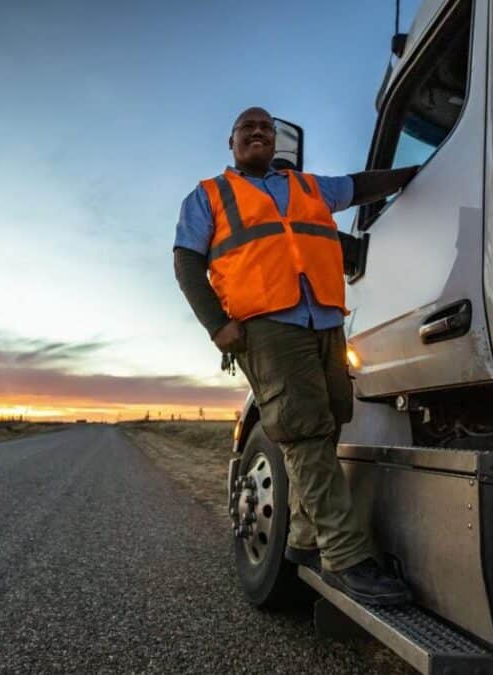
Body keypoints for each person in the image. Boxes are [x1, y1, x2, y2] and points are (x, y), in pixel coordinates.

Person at [173, 106, 419, 606]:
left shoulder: (310, 187)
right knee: (303, 430)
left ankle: (303, 541)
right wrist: (216, 325)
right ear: (232, 142)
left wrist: (415, 174)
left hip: (324, 319)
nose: (258, 132)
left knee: (327, 423)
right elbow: (186, 261)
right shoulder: (209, 195)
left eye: (265, 127)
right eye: (248, 127)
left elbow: (360, 184)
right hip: (266, 327)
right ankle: (346, 558)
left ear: (276, 140)